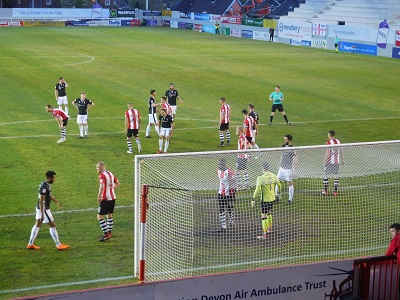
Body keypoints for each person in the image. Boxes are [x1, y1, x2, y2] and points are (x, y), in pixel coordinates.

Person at [27, 170, 70, 250]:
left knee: (37, 225)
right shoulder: (44, 187)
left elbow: (48, 196)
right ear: (49, 178)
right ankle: (58, 245)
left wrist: (57, 202)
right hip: (44, 209)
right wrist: (43, 214)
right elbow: (41, 200)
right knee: (52, 225)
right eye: (53, 178)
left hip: (40, 208)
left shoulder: (45, 184)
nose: (54, 179)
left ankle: (30, 244)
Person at [252, 162, 281, 239]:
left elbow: (257, 189)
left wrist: (253, 199)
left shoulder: (261, 178)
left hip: (265, 200)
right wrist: (278, 194)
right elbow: (279, 185)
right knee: (269, 212)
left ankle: (264, 234)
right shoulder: (273, 175)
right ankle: (270, 229)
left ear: (262, 168)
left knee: (263, 215)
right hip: (272, 198)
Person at [96, 162, 120, 242]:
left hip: (105, 198)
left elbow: (102, 187)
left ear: (100, 168)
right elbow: (117, 183)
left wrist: (99, 196)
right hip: (112, 197)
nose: (96, 169)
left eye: (97, 167)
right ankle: (109, 232)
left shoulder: (102, 175)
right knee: (109, 214)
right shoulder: (110, 173)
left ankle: (106, 234)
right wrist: (112, 190)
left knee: (99, 217)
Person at [276, 134, 297, 205]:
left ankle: (290, 200)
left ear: (290, 140)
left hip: (288, 169)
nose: (284, 141)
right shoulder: (283, 147)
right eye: (284, 139)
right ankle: (277, 197)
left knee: (290, 184)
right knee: (277, 181)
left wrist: (293, 168)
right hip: (281, 168)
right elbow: (282, 156)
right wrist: (279, 166)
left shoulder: (292, 148)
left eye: (286, 139)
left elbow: (296, 158)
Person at [322, 130, 344, 196]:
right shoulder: (338, 141)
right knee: (336, 176)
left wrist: (324, 162)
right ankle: (335, 191)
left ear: (329, 135)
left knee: (325, 174)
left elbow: (328, 154)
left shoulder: (328, 143)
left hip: (329, 162)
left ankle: (325, 190)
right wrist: (343, 159)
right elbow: (341, 150)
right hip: (337, 162)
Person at [217, 158, 235, 230]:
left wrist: (233, 193)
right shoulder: (218, 170)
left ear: (223, 164)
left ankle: (231, 221)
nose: (218, 165)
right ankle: (223, 225)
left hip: (228, 193)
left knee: (229, 207)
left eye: (219, 164)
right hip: (220, 193)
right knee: (221, 208)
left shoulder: (229, 172)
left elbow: (233, 182)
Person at [236, 125, 250, 190]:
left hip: (241, 157)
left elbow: (243, 145)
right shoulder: (244, 137)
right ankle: (247, 186)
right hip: (244, 156)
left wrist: (241, 148)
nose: (236, 132)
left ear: (240, 131)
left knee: (237, 171)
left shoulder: (242, 138)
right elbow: (249, 145)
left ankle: (240, 186)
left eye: (237, 130)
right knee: (244, 170)